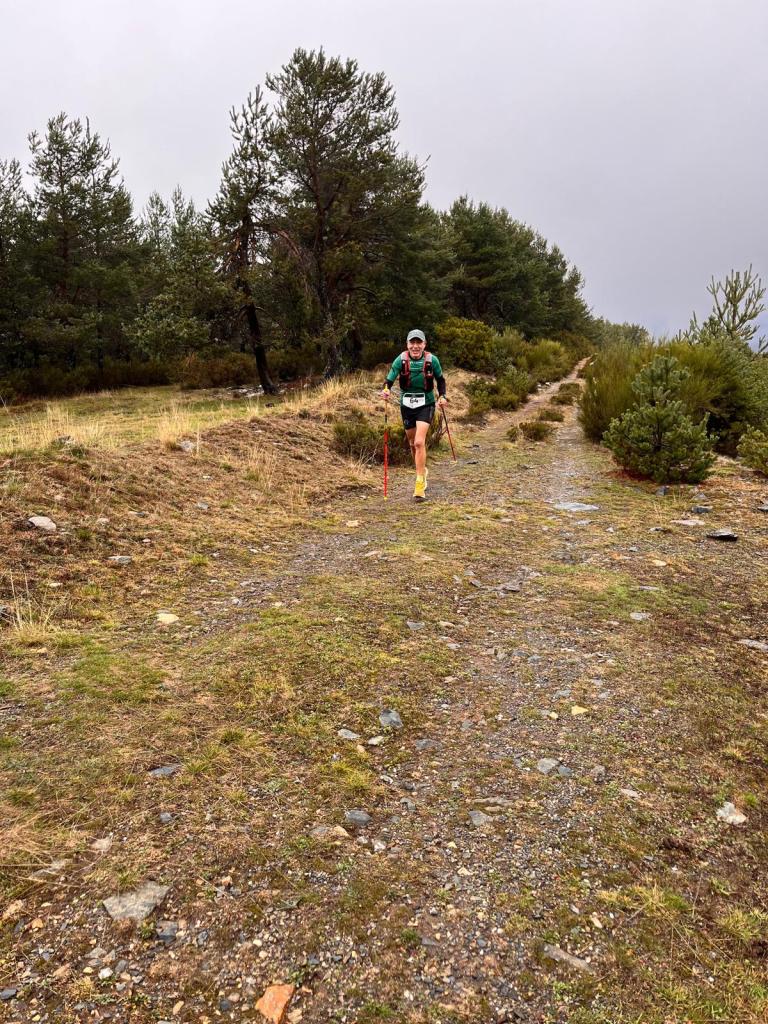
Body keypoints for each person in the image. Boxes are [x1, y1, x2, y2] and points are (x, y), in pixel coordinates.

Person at [381, 329, 447, 502]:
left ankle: (419, 483)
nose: (415, 346)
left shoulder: (432, 360)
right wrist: (386, 390)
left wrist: (442, 396)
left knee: (419, 442)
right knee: (412, 443)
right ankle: (422, 471)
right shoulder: (401, 359)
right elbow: (389, 380)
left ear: (424, 344)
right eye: (412, 343)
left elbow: (440, 380)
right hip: (407, 405)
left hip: (426, 404)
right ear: (407, 344)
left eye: (419, 343)